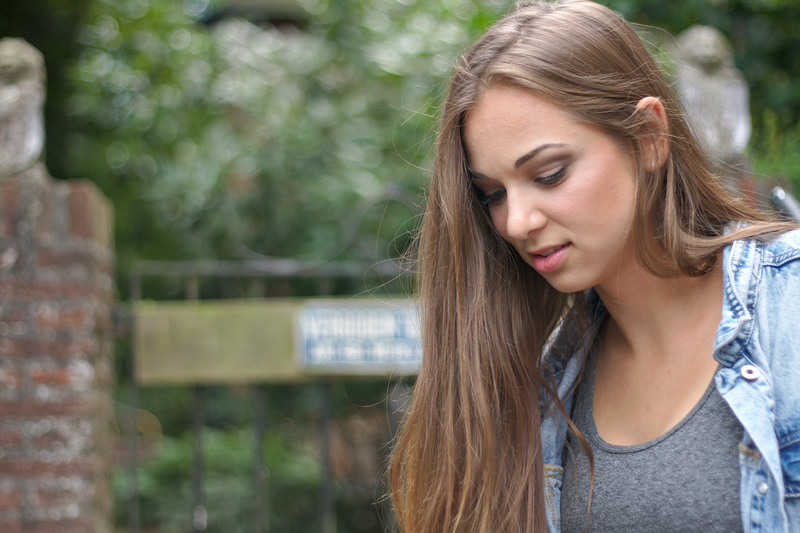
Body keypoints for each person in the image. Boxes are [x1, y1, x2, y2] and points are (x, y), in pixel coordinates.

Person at [388, 1, 800, 532]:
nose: (516, 221)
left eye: (550, 173)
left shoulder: (787, 308)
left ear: (648, 136)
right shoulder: (541, 384)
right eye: (492, 194)